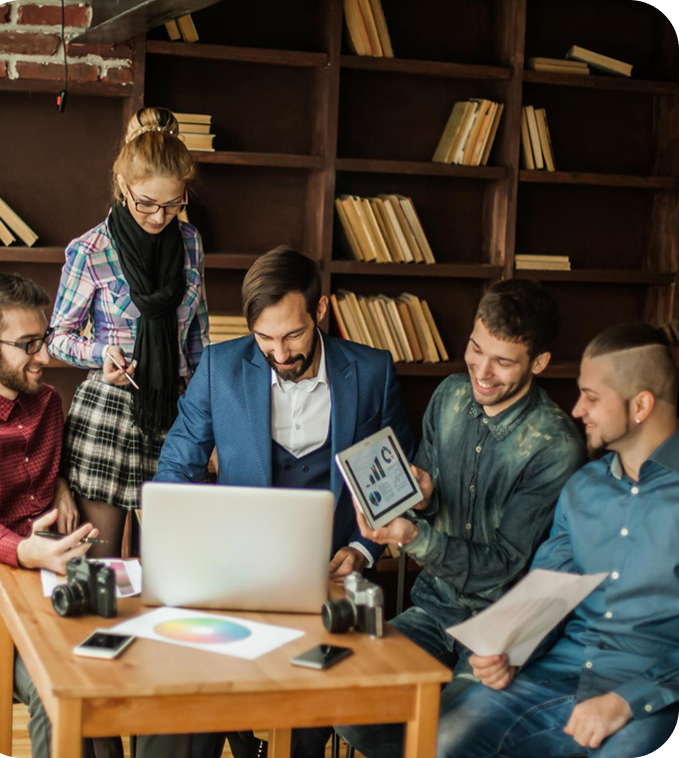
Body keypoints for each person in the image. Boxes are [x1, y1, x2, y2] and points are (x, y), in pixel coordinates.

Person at [154, 245, 415, 758]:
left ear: (321, 311)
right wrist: (176, 540)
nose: (279, 352)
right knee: (191, 703)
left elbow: (396, 476)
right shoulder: (219, 367)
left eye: (292, 334)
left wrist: (364, 548)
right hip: (236, 574)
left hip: (332, 577)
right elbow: (178, 463)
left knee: (306, 715)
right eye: (265, 337)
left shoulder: (372, 371)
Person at [336, 279, 586, 758]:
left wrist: (414, 534)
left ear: (539, 363)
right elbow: (427, 495)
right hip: (435, 607)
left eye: (503, 361)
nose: (482, 371)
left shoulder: (555, 447)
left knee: (446, 737)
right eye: (476, 349)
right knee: (350, 705)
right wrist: (423, 500)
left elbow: (503, 565)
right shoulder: (450, 396)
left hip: (501, 627)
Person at [437, 323, 679, 758]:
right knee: (442, 741)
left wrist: (627, 700)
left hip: (649, 696)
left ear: (641, 405)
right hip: (557, 672)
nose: (577, 409)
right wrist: (511, 648)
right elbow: (547, 591)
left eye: (592, 397)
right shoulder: (582, 488)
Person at [49, 106, 209, 560]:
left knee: (171, 565)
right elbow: (57, 336)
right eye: (146, 203)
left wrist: (207, 414)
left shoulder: (192, 242)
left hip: (178, 414)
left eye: (172, 204)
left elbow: (198, 337)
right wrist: (101, 352)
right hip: (111, 414)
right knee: (101, 567)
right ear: (123, 186)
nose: (159, 217)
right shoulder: (91, 250)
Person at [0, 270, 100, 758]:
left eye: (43, 339)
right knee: (55, 689)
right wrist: (27, 550)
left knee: (132, 659)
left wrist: (62, 483)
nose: (45, 356)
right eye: (29, 344)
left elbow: (50, 468)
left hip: (49, 578)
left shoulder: (47, 403)